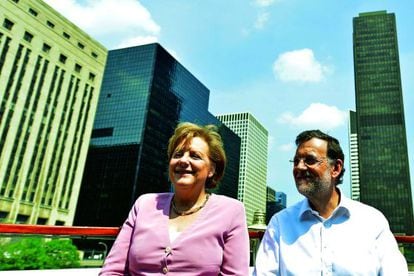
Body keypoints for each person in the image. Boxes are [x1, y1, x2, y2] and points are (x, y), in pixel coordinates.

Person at [100, 122, 249, 275]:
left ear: (211, 169)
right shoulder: (144, 204)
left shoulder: (231, 211)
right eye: (177, 155)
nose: (183, 161)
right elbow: (112, 271)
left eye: (194, 156)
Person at [254, 129, 408, 275]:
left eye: (310, 160)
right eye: (296, 161)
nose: (299, 167)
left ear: (336, 168)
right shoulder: (280, 224)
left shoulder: (373, 221)